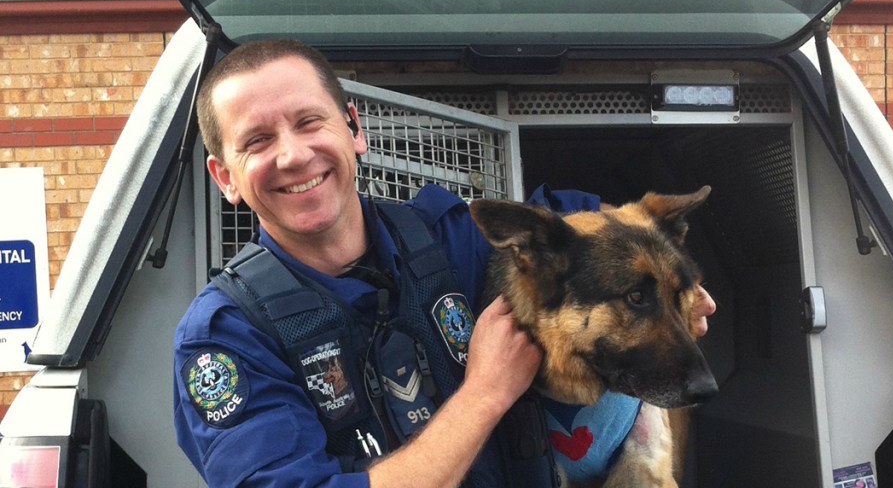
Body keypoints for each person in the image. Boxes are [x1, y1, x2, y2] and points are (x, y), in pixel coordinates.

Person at [172, 38, 716, 487]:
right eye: (258, 141)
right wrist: (484, 394)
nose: (292, 155)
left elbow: (582, 229)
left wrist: (665, 291)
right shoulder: (227, 336)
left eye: (309, 122)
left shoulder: (448, 236)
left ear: (354, 130)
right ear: (226, 178)